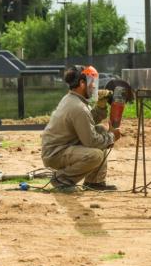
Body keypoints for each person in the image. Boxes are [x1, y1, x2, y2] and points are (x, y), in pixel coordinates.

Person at [41, 65, 122, 193]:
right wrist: (111, 136)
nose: (94, 86)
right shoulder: (79, 107)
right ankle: (61, 179)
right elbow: (91, 141)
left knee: (100, 129)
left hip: (60, 148)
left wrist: (100, 106)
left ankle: (94, 182)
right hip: (55, 154)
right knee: (95, 155)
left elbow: (86, 122)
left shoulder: (72, 99)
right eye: (92, 83)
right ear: (82, 83)